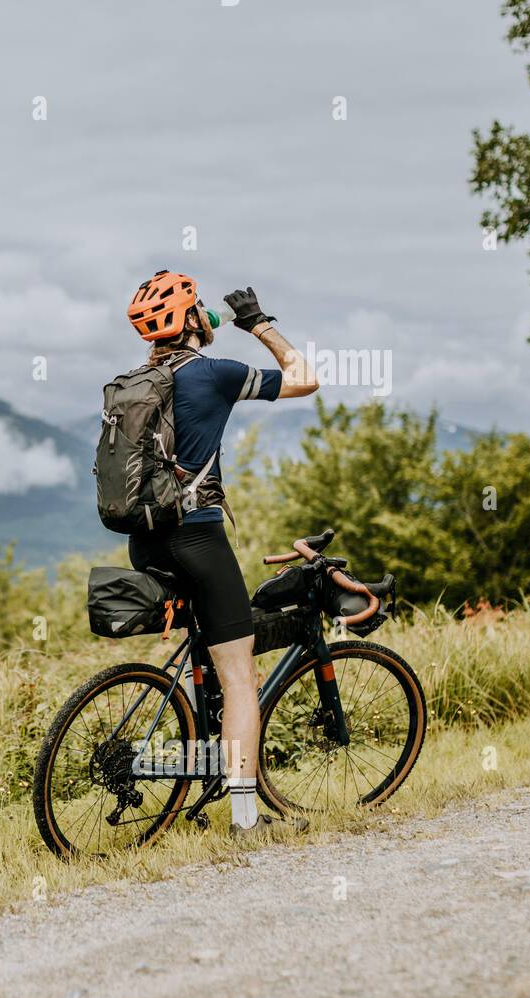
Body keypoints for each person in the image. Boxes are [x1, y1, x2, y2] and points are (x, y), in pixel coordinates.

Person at [124, 270, 318, 840]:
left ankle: (199, 768)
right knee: (240, 674)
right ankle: (244, 818)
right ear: (189, 321)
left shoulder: (136, 379)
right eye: (201, 308)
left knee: (205, 652)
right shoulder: (216, 372)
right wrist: (259, 324)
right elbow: (304, 380)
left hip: (145, 539)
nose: (207, 314)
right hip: (198, 539)